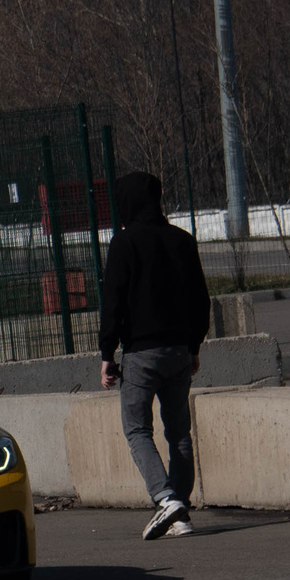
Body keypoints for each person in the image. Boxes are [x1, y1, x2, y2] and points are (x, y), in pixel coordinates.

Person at [98, 171, 210, 539]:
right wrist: (193, 346)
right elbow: (200, 299)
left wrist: (106, 353)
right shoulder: (182, 240)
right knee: (178, 430)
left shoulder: (124, 243)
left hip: (141, 354)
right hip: (179, 351)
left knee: (136, 428)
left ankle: (165, 499)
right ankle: (179, 511)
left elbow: (113, 302)